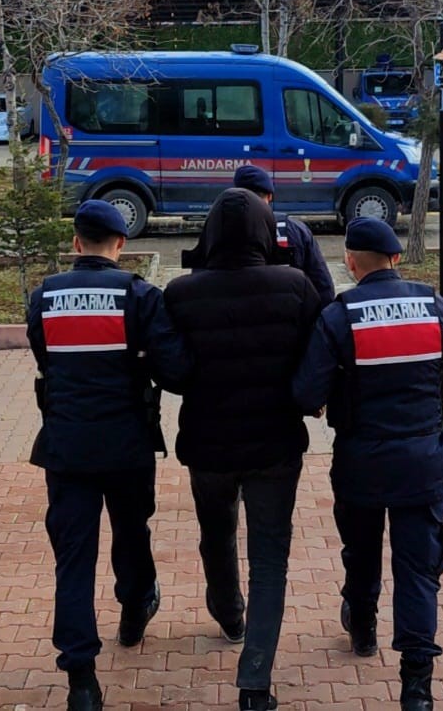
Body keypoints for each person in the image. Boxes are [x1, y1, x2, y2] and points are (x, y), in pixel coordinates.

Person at [291, 217, 443, 711]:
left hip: (362, 463)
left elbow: (306, 392)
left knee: (362, 549)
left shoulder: (339, 315)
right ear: (396, 258)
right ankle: (417, 685)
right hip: (424, 463)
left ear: (350, 263)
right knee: (418, 571)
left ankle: (364, 627)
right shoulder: (434, 305)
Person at [26, 200, 192, 711]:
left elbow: (44, 357)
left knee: (73, 559)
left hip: (67, 447)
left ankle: (81, 678)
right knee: (131, 530)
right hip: (126, 445)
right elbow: (175, 373)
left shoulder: (44, 296)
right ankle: (135, 604)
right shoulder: (140, 295)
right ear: (121, 245)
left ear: (77, 243)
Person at [164, 187, 323, 711]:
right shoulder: (297, 286)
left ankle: (228, 612)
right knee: (270, 556)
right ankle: (255, 681)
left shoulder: (181, 293)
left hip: (208, 444)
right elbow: (313, 356)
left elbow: (175, 372)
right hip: (275, 444)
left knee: (216, 533)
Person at [231, 165, 335, 302]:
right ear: (269, 196)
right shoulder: (296, 230)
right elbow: (323, 287)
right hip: (292, 317)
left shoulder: (220, 230)